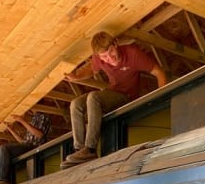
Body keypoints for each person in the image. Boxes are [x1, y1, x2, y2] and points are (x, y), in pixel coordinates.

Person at [62, 32, 168, 165]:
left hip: (127, 96)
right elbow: (92, 69)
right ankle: (79, 149)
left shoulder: (133, 54)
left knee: (93, 97)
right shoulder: (99, 59)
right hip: (112, 92)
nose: (109, 58)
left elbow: (159, 72)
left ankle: (90, 149)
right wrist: (77, 76)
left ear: (116, 44)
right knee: (75, 104)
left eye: (110, 52)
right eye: (104, 56)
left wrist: (162, 97)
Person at [0, 111, 51, 184]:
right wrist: (12, 130)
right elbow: (23, 142)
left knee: (4, 148)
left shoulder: (43, 116)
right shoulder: (33, 118)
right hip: (27, 145)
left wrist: (22, 121)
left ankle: (2, 181)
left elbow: (39, 135)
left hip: (34, 147)